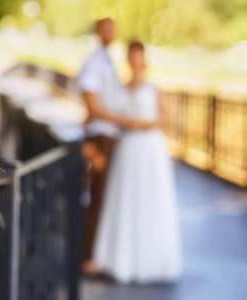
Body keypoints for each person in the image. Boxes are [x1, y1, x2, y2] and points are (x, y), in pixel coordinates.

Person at [93, 41, 182, 284]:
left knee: (150, 199)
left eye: (138, 55)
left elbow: (165, 118)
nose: (135, 60)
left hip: (149, 148)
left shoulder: (154, 87)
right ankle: (122, 261)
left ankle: (152, 261)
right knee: (126, 199)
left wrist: (139, 125)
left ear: (143, 58)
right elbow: (110, 114)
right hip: (127, 148)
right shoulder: (122, 88)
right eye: (131, 55)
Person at [78, 18, 153, 276]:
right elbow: (94, 106)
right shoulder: (95, 63)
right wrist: (126, 121)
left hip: (111, 137)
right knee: (97, 197)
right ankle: (87, 257)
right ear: (97, 31)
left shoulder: (107, 61)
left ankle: (96, 254)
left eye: (113, 28)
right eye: (106, 28)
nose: (110, 32)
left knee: (104, 196)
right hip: (103, 137)